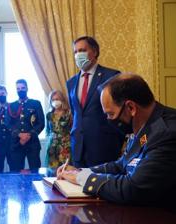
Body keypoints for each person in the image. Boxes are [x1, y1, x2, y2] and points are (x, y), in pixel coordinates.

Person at [58, 73, 176, 207]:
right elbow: (121, 165)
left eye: (111, 114)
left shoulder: (167, 133)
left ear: (131, 108)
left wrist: (81, 179)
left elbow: (132, 188)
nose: (109, 120)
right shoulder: (145, 126)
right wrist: (80, 171)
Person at [67, 36, 124, 168]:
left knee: (102, 187)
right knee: (77, 187)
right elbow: (76, 114)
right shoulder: (70, 83)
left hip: (104, 147)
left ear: (95, 52)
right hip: (78, 149)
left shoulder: (112, 76)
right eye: (75, 52)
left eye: (82, 50)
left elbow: (120, 112)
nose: (78, 55)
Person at [7, 79, 45, 172]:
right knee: (16, 173)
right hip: (17, 143)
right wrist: (19, 135)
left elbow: (41, 123)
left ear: (27, 88)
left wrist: (29, 135)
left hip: (32, 143)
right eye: (18, 88)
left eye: (23, 88)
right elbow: (8, 124)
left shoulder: (35, 104)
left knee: (35, 172)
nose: (20, 90)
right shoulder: (11, 106)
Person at [44, 90, 72, 169]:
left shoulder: (69, 113)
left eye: (57, 99)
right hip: (53, 145)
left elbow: (72, 128)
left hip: (66, 145)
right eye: (53, 100)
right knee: (53, 169)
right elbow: (48, 130)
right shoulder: (49, 115)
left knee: (66, 169)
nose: (55, 101)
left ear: (62, 100)